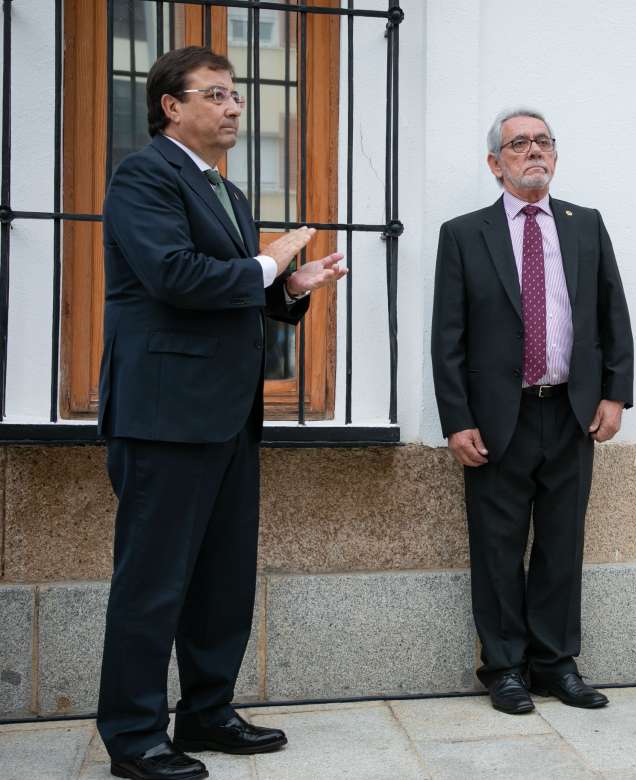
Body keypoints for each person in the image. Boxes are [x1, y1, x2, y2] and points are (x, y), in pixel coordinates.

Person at [97, 46, 347, 780]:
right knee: (153, 581)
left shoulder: (226, 193)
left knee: (222, 577)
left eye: (236, 96)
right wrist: (268, 263)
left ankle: (207, 712)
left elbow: (237, 292)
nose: (234, 106)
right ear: (171, 106)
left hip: (229, 415)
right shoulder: (144, 175)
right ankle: (135, 737)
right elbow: (174, 276)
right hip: (165, 416)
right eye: (217, 94)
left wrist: (290, 285)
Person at [431, 108, 634, 715]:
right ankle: (504, 667)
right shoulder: (465, 234)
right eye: (519, 144)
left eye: (543, 141)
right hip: (498, 419)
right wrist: (456, 419)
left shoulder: (585, 225)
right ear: (496, 163)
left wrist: (615, 394)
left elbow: (612, 315)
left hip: (570, 413)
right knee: (497, 547)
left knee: (561, 545)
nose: (534, 152)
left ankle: (555, 663)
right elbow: (449, 337)